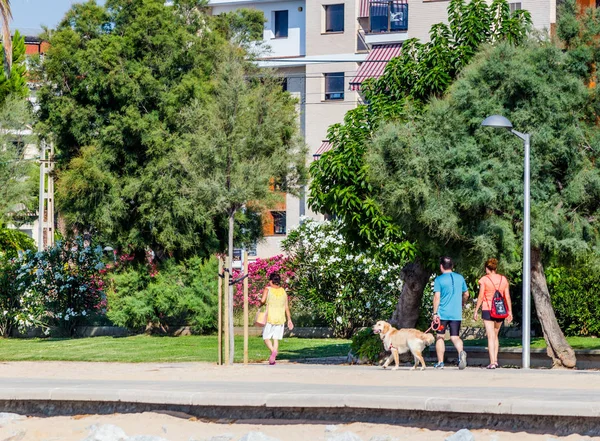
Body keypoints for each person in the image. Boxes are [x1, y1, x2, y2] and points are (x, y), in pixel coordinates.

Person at [473, 258, 513, 369]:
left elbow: (481, 296)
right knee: (495, 335)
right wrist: (510, 311)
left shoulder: (484, 280)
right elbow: (507, 296)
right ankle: (495, 359)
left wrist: (476, 310)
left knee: (490, 336)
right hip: (500, 309)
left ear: (487, 268)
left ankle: (492, 362)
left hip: (488, 309)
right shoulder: (503, 279)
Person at [433, 256, 469, 370]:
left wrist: (434, 313)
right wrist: (462, 302)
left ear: (441, 266)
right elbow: (466, 294)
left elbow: (437, 297)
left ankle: (440, 362)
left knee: (440, 337)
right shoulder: (460, 278)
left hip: (442, 314)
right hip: (456, 313)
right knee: (455, 337)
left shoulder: (439, 280)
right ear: (452, 266)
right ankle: (461, 354)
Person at [259, 272, 294, 365]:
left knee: (266, 337)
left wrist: (260, 302)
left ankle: (273, 351)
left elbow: (262, 301)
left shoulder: (267, 289)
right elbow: (286, 307)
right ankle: (273, 358)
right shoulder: (283, 291)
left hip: (270, 317)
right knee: (276, 338)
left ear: (270, 281)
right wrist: (289, 319)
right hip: (280, 318)